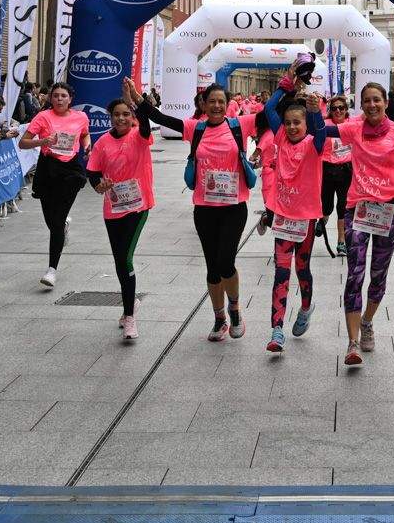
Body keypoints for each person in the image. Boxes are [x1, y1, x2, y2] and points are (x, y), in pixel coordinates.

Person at [138, 84, 260, 342]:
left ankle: (235, 308)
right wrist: (138, 100)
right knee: (212, 268)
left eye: (221, 101)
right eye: (211, 102)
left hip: (234, 207)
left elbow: (272, 113)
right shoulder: (197, 129)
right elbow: (161, 118)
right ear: (203, 105)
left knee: (226, 262)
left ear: (227, 104)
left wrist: (290, 87)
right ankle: (219, 319)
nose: (216, 106)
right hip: (204, 209)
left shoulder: (240, 125)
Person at [329, 82, 394, 367]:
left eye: (377, 100)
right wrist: (313, 112)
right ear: (361, 105)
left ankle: (367, 321)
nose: (372, 105)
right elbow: (318, 132)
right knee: (355, 273)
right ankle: (352, 343)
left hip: (389, 212)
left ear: (386, 102)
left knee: (378, 275)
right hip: (357, 211)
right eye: (367, 101)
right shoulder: (353, 129)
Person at [255, 75, 331, 354]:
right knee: (281, 274)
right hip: (284, 218)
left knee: (302, 269)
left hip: (307, 218)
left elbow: (320, 130)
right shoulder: (280, 139)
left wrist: (314, 110)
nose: (291, 127)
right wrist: (287, 83)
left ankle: (306, 306)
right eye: (287, 123)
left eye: (296, 122)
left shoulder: (314, 143)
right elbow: (268, 110)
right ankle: (277, 331)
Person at [87, 81, 157, 341]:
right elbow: (93, 171)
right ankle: (130, 302)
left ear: (131, 116)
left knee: (126, 259)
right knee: (119, 261)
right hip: (114, 208)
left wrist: (133, 100)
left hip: (139, 206)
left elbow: (147, 118)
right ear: (111, 117)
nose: (122, 118)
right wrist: (98, 185)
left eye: (126, 114)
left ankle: (129, 317)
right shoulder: (103, 142)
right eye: (117, 114)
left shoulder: (140, 135)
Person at [20, 82, 92, 289]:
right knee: (51, 220)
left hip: (71, 169)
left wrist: (87, 146)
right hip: (48, 168)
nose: (59, 99)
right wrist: (43, 142)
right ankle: (62, 227)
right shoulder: (42, 117)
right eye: (56, 95)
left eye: (63, 96)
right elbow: (23, 143)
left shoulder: (81, 117)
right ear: (50, 99)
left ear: (70, 99)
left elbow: (85, 134)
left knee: (57, 221)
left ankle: (52, 269)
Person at [319, 95, 355, 255]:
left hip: (346, 170)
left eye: (341, 108)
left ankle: (341, 241)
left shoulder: (353, 124)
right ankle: (323, 219)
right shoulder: (324, 125)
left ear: (346, 110)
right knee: (327, 207)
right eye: (334, 108)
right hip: (327, 169)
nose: (338, 111)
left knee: (343, 206)